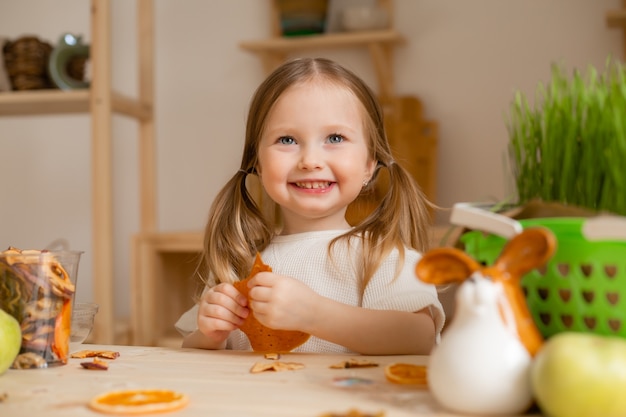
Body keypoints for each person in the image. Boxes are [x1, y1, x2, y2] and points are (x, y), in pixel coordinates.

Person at [175, 57, 445, 355]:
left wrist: (315, 314)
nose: (310, 161)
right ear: (258, 163)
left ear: (369, 164)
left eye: (335, 137)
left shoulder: (382, 256)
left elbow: (418, 337)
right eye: (287, 139)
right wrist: (209, 335)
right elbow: (192, 354)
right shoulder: (239, 260)